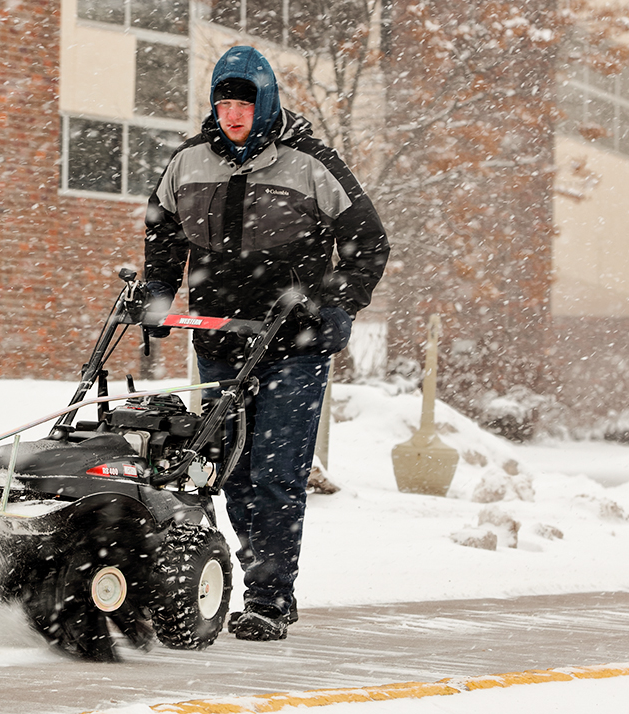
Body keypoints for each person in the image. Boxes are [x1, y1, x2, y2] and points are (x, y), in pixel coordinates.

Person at [143, 46, 389, 641]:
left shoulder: (311, 162)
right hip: (220, 340)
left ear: (267, 103)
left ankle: (270, 599)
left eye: (244, 104)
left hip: (292, 343)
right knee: (230, 469)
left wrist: (333, 303)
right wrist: (157, 297)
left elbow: (368, 243)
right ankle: (253, 580)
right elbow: (163, 236)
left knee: (276, 473)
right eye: (224, 103)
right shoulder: (188, 162)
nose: (232, 115)